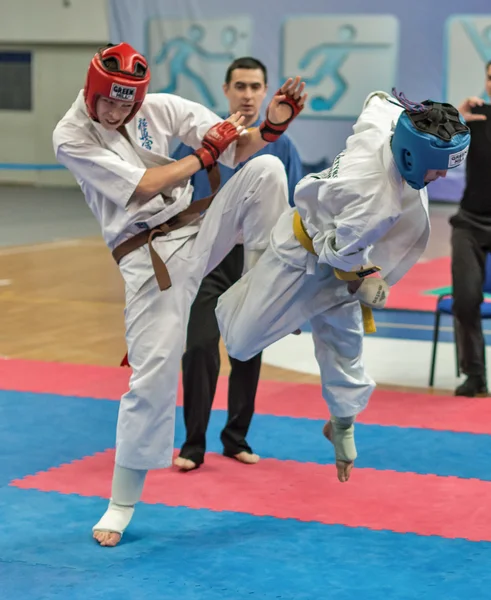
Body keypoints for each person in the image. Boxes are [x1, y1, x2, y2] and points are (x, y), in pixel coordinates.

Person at [53, 42, 307, 546]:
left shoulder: (160, 106)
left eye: (128, 102)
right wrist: (203, 154)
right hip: (147, 259)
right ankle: (121, 504)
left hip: (199, 227)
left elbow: (236, 147)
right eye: (110, 101)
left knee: (268, 169)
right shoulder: (71, 135)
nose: (118, 110)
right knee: (152, 377)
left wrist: (273, 127)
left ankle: (263, 287)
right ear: (92, 89)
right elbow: (146, 185)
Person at [215, 89, 470, 484]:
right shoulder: (376, 204)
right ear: (411, 157)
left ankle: (342, 424)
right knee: (240, 343)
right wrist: (368, 278)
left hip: (341, 266)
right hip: (299, 262)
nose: (440, 178)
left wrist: (420, 113)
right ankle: (236, 295)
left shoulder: (383, 127)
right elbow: (338, 257)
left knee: (346, 351)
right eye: (437, 170)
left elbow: (379, 99)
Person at [171, 57, 303, 471]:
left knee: (247, 346)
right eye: (240, 86)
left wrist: (293, 283)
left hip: (258, 258)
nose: (247, 95)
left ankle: (235, 438)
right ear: (226, 90)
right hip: (208, 256)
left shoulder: (282, 147)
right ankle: (193, 443)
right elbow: (175, 197)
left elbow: (296, 210)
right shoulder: (201, 137)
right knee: (198, 346)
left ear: (265, 93)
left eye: (255, 87)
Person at [449, 60, 491, 397]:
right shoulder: (475, 118)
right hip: (469, 223)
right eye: (490, 79)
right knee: (465, 299)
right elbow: (434, 149)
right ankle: (474, 375)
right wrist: (456, 119)